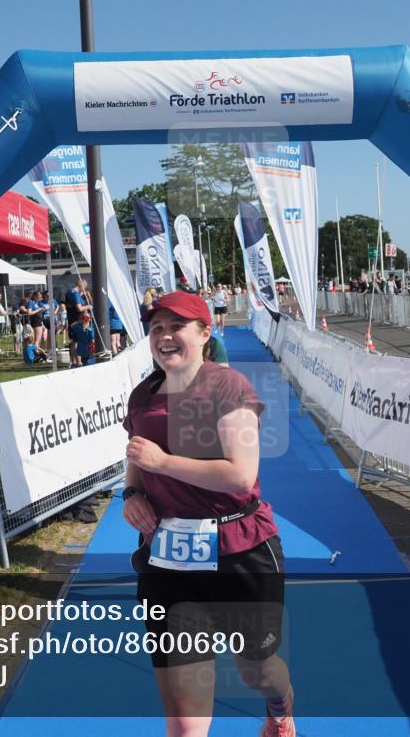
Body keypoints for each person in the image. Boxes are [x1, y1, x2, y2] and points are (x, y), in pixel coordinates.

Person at [122, 290, 294, 737]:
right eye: (156, 327)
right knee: (184, 718)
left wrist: (162, 463)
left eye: (175, 326)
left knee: (258, 670)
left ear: (204, 333)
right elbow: (137, 456)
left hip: (241, 551)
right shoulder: (144, 394)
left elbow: (240, 476)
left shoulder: (227, 386)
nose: (164, 336)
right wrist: (131, 494)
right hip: (169, 562)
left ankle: (279, 709)